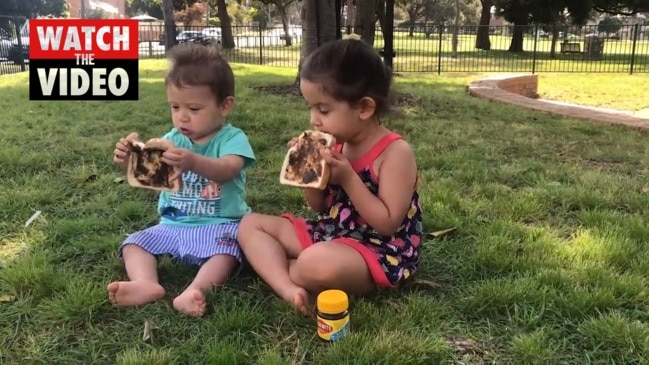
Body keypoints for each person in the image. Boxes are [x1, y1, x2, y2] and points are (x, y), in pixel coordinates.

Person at [238, 39, 423, 314]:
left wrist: (348, 178)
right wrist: (309, 172)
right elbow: (319, 207)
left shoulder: (395, 153)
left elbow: (387, 223)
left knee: (315, 262)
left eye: (324, 110)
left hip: (378, 249)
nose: (314, 119)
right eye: (311, 108)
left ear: (364, 108)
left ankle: (279, 267)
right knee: (250, 224)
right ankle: (289, 287)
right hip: (332, 232)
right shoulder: (336, 144)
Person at [108, 43, 256, 317]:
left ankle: (194, 290)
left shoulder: (232, 138)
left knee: (226, 255)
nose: (182, 116)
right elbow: (151, 177)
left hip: (219, 225)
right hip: (173, 223)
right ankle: (146, 283)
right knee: (134, 243)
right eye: (175, 106)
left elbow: (228, 169)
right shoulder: (172, 139)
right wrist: (129, 160)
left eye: (194, 108)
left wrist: (193, 162)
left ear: (225, 106)